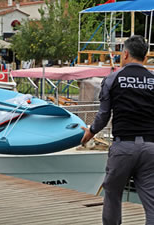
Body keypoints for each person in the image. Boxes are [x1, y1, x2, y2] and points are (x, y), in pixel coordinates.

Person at [81, 35, 154, 225]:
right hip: (150, 148)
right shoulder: (153, 80)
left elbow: (103, 115)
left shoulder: (113, 79)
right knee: (152, 201)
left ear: (125, 54)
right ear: (145, 58)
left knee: (113, 194)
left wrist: (90, 132)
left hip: (124, 147)